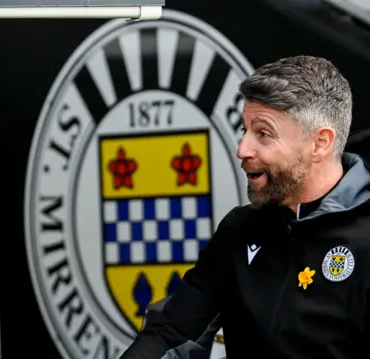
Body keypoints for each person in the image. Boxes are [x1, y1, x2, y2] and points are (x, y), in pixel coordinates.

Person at [120, 55, 370, 359]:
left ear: (320, 143)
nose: (242, 149)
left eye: (263, 134)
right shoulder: (240, 230)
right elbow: (172, 335)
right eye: (245, 129)